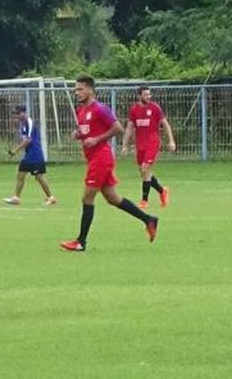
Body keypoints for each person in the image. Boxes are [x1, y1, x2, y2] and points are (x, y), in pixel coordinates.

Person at [60, 74, 159, 252]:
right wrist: (79, 134)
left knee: (87, 198)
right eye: (75, 89)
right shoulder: (81, 111)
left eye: (80, 89)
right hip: (93, 159)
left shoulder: (100, 109)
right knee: (113, 198)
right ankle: (149, 220)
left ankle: (81, 242)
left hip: (101, 158)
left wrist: (96, 139)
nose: (77, 92)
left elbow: (118, 128)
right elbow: (87, 130)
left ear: (90, 89)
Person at [121, 86, 177, 209]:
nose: (148, 97)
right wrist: (124, 145)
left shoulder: (155, 108)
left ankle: (144, 201)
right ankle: (162, 191)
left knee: (145, 168)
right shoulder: (134, 109)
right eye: (146, 94)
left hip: (153, 142)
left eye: (149, 94)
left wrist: (171, 141)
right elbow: (130, 128)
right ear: (139, 95)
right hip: (140, 144)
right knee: (143, 172)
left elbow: (165, 124)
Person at [3, 104, 56, 206]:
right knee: (21, 175)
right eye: (15, 114)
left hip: (34, 155)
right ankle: (16, 198)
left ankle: (51, 197)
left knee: (39, 177)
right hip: (29, 155)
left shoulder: (29, 122)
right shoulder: (22, 124)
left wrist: (15, 150)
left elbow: (28, 140)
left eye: (18, 113)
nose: (16, 116)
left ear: (24, 113)